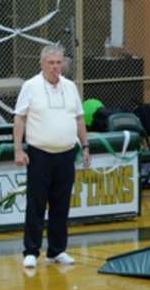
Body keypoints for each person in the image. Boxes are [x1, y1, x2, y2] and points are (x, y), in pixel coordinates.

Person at [13, 45, 91, 269]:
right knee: (36, 204)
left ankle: (57, 250)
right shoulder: (31, 86)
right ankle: (31, 251)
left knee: (61, 204)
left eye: (58, 63)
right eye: (51, 63)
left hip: (66, 154)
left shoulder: (70, 87)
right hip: (39, 154)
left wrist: (85, 146)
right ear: (41, 64)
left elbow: (79, 119)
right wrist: (18, 150)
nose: (55, 67)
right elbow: (19, 118)